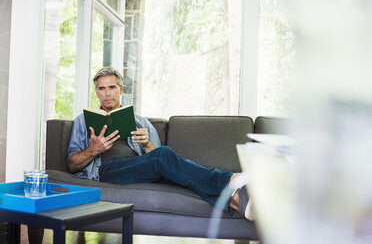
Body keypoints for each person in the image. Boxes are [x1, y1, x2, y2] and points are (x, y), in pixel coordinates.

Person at [67, 67, 253, 220]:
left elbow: (156, 158)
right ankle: (229, 179)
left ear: (121, 90)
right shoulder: (83, 121)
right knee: (164, 155)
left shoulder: (140, 122)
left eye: (112, 87)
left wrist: (147, 144)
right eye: (101, 88)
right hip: (107, 170)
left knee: (183, 176)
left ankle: (236, 200)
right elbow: (72, 164)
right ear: (96, 92)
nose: (107, 94)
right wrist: (93, 150)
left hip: (140, 169)